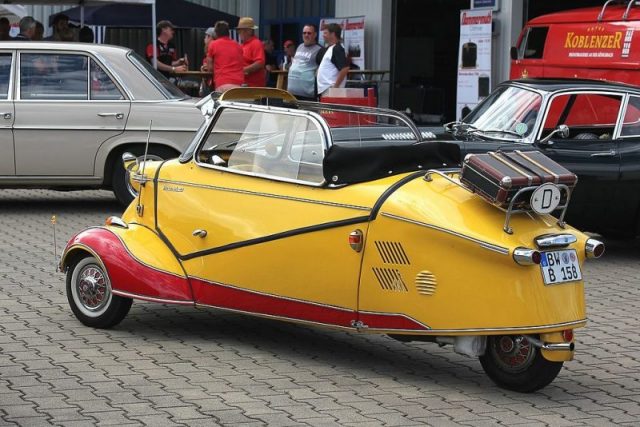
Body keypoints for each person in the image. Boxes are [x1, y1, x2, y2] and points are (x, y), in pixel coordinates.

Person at [287, 24, 324, 101]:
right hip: (292, 93)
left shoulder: (320, 50)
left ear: (315, 35)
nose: (306, 35)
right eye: (304, 33)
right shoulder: (300, 46)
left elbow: (323, 71)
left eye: (309, 33)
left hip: (307, 95)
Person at [206, 20, 244, 92]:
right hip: (238, 84)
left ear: (216, 34)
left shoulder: (213, 45)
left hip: (222, 82)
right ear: (228, 33)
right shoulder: (238, 46)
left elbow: (210, 68)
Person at [316, 23, 349, 97]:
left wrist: (335, 88)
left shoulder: (337, 48)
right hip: (327, 89)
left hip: (331, 90)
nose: (323, 35)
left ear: (333, 34)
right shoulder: (331, 48)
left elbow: (345, 68)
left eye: (325, 33)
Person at [236, 17, 265, 87]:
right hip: (243, 84)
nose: (239, 33)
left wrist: (242, 70)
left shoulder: (256, 43)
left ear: (249, 31)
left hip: (253, 86)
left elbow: (260, 63)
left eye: (241, 30)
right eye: (238, 30)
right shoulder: (242, 45)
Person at [199, 27, 215, 96]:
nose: (204, 39)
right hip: (208, 83)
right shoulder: (207, 51)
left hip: (215, 84)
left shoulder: (215, 49)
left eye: (206, 36)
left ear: (210, 37)